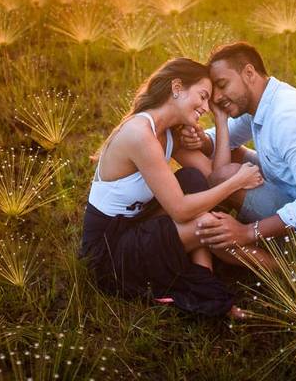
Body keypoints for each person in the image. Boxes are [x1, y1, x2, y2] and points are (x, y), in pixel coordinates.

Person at [79, 57, 264, 318]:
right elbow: (180, 210)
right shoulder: (139, 134)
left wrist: (221, 122)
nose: (205, 107)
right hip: (109, 252)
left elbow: (213, 177)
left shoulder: (168, 133)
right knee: (204, 223)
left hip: (135, 224)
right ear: (177, 87)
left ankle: (204, 280)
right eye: (202, 96)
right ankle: (211, 289)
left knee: (192, 180)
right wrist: (238, 181)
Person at [183, 42, 296, 266]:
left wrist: (248, 232)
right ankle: (213, 224)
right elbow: (225, 139)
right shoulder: (263, 101)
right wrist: (203, 138)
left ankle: (295, 270)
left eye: (222, 84)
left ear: (249, 73)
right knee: (232, 156)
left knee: (226, 176)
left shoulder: (290, 119)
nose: (216, 97)